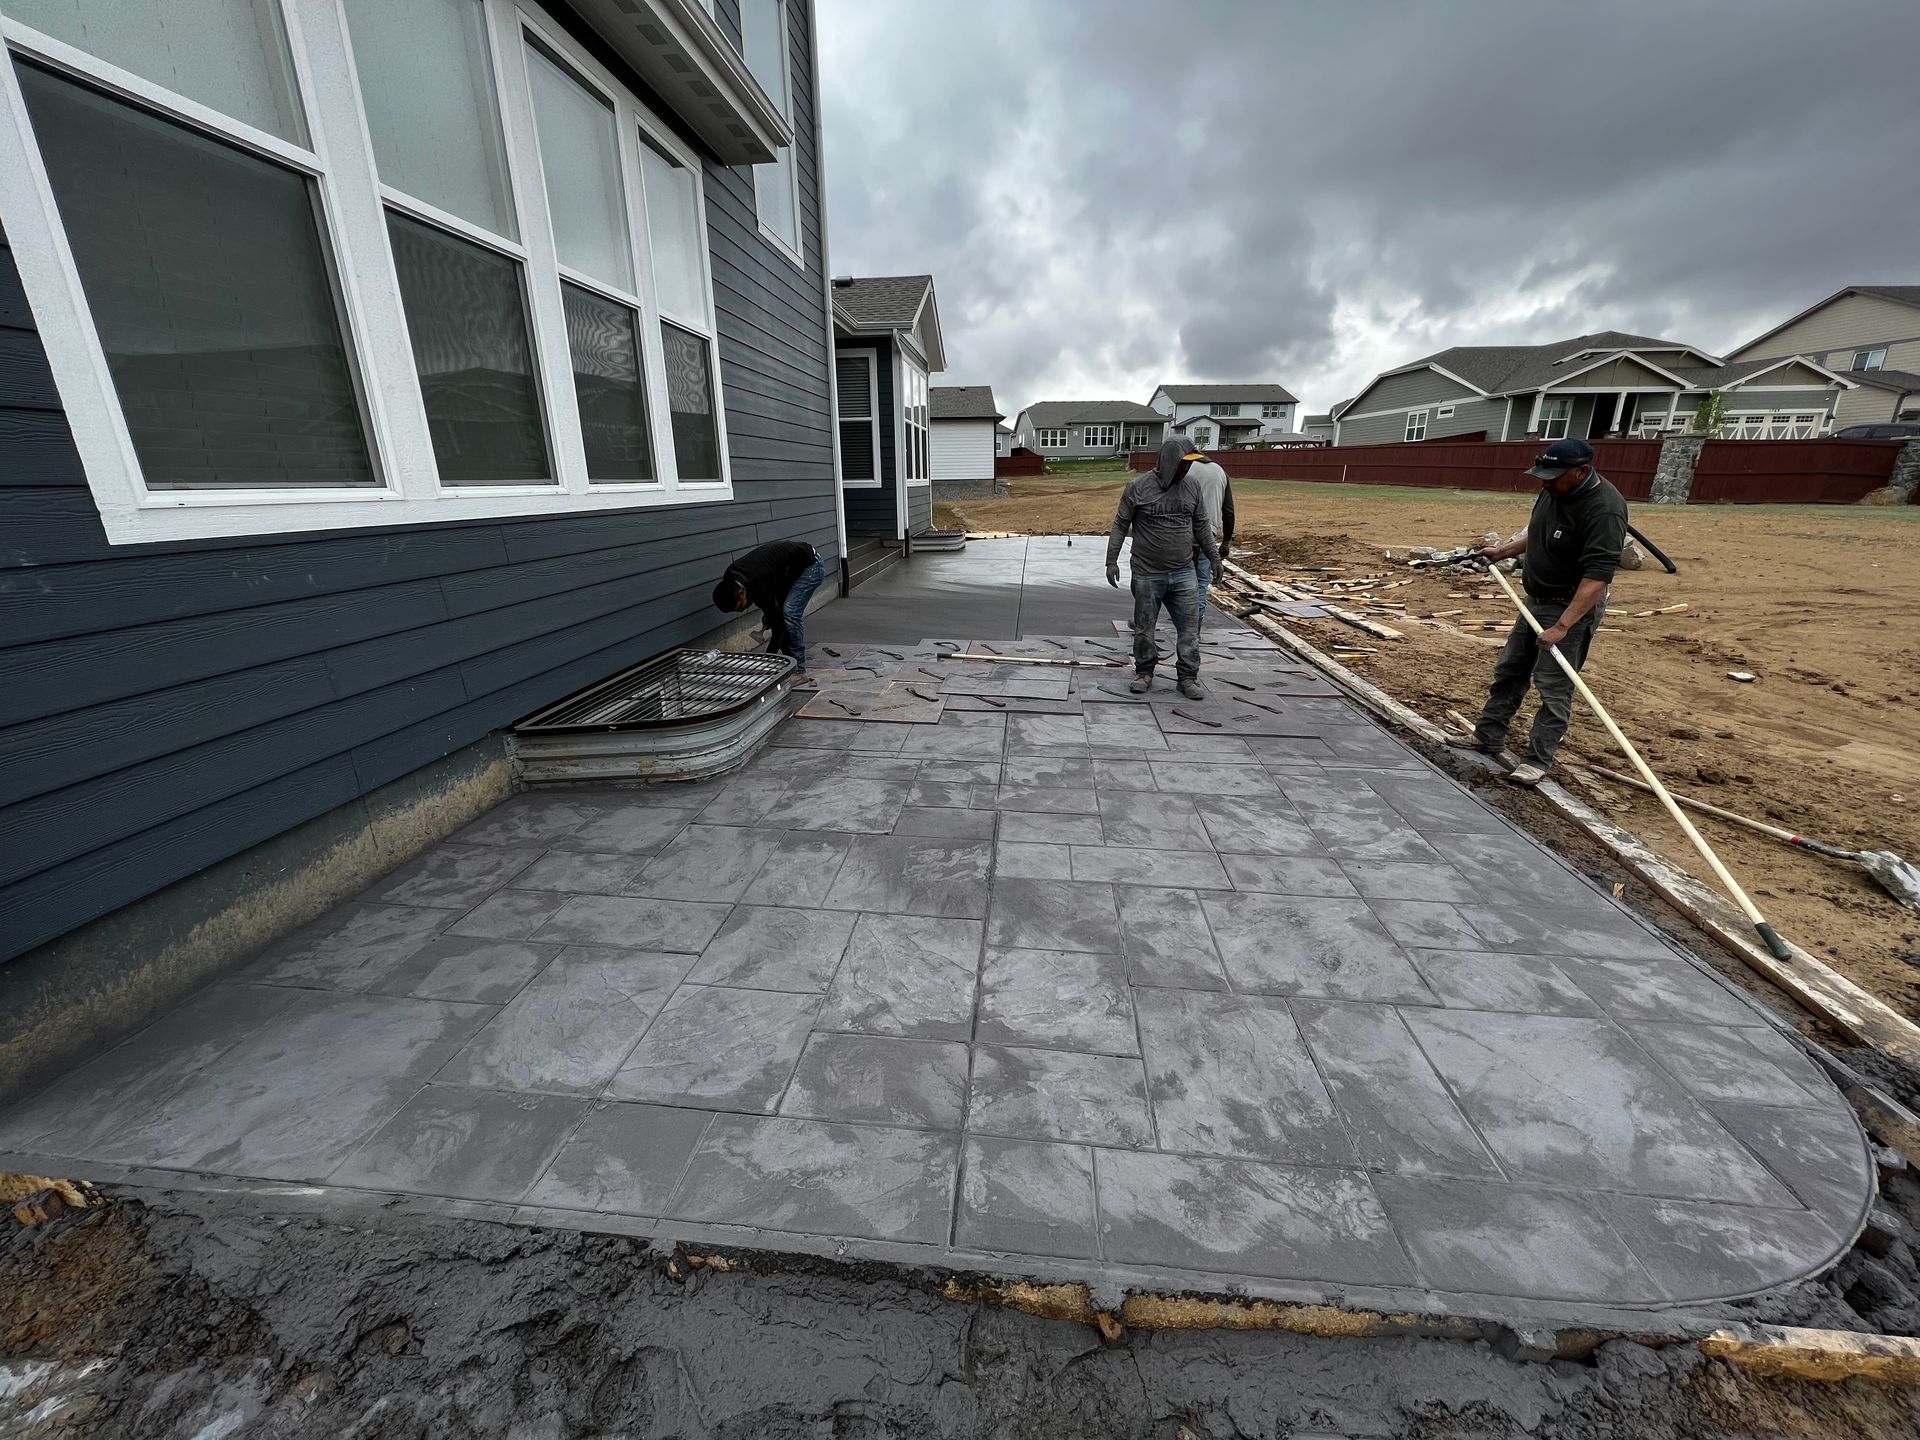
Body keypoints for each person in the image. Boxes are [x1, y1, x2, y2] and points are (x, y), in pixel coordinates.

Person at [1452, 438, 1629, 786]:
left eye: (1553, 477)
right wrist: (1503, 551)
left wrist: (1562, 626)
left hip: (1570, 608)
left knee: (1553, 687)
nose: (1544, 484)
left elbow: (1597, 577)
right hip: (1536, 600)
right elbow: (1541, 532)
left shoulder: (1605, 510)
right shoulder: (1554, 489)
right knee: (1510, 671)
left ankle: (1536, 760)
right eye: (1542, 476)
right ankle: (1488, 736)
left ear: (1582, 471)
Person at [1106, 434, 1220, 698]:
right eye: (1183, 463)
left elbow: (1202, 525)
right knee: (1144, 629)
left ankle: (1187, 677)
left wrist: (1214, 557)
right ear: (1170, 461)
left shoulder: (1192, 487)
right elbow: (1120, 525)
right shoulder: (1138, 487)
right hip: (1147, 572)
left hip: (1184, 572)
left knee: (1189, 629)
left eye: (1190, 463)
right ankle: (1144, 672)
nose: (1187, 468)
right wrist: (1111, 561)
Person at [712, 539, 827, 676]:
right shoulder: (732, 577)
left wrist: (767, 659)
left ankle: (798, 670)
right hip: (787, 570)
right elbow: (770, 606)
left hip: (810, 566)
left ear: (741, 594)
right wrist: (769, 615)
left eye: (739, 608)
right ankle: (790, 663)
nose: (741, 611)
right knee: (777, 615)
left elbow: (779, 624)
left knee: (789, 612)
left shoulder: (757, 579)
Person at [1181, 434, 1235, 622]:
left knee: (1175, 577)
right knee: (1201, 581)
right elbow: (1228, 510)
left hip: (1182, 531)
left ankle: (1180, 617)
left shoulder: (1184, 468)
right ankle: (1195, 621)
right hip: (1208, 533)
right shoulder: (1220, 472)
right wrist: (1226, 541)